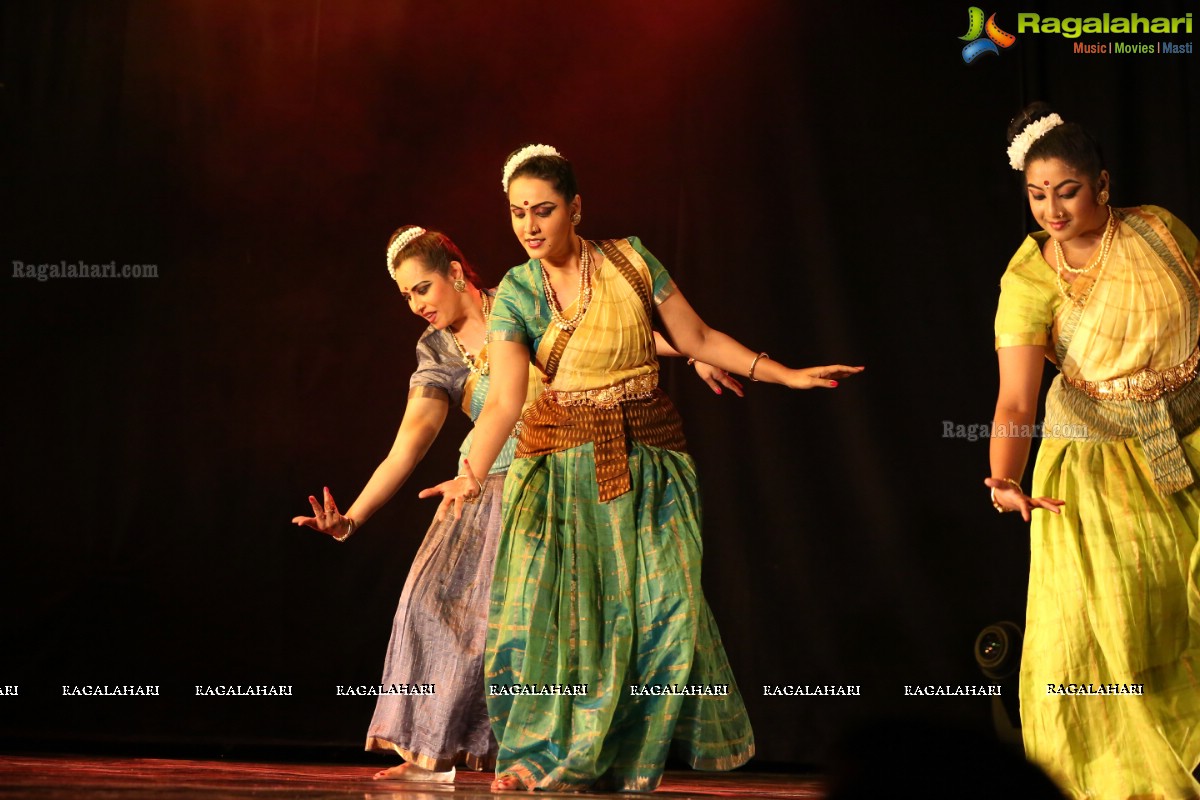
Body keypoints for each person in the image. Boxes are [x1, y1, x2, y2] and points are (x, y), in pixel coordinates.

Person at [422, 144, 864, 792]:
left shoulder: (631, 261)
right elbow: (507, 401)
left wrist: (785, 374)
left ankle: (622, 758)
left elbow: (699, 339)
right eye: (518, 214)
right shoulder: (518, 289)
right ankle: (540, 755)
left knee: (659, 613)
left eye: (544, 210)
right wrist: (470, 468)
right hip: (555, 471)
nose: (531, 226)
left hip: (647, 463)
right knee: (555, 619)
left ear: (576, 208)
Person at [292, 225, 740, 783]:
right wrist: (352, 518)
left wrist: (694, 355)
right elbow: (407, 444)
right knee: (430, 609)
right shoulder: (437, 351)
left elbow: (613, 337)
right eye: (406, 296)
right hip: (481, 490)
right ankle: (430, 753)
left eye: (423, 288)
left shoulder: (527, 297)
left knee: (552, 629)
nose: (416, 305)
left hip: (557, 480)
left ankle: (557, 754)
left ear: (456, 273)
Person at [987, 102, 1200, 797]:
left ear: (1103, 186)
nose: (1051, 208)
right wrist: (1003, 477)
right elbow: (1017, 400)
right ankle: (1123, 780)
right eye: (1036, 194)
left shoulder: (1161, 231)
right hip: (1094, 465)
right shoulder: (1030, 279)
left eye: (1067, 191)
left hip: (1192, 438)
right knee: (1114, 628)